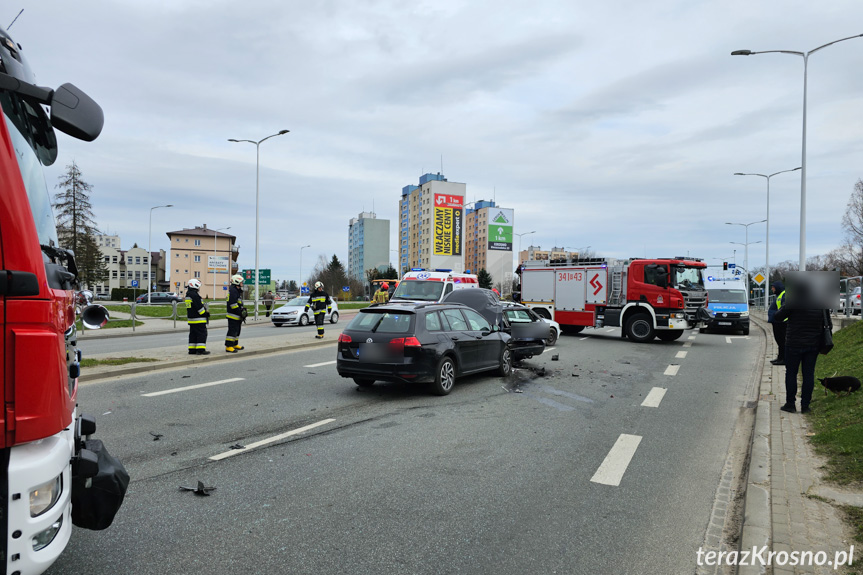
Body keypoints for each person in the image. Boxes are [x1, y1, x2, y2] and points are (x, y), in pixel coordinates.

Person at [774, 284, 830, 414]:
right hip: (813, 344)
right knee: (808, 374)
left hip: (793, 343)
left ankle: (790, 404)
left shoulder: (793, 302)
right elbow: (828, 324)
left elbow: (778, 317)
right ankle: (805, 406)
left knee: (791, 373)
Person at [185, 279, 210, 355]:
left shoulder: (188, 294)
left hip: (191, 319)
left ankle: (192, 350)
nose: (199, 288)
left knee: (193, 335)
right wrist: (206, 313)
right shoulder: (195, 295)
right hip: (199, 319)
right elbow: (199, 308)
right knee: (202, 334)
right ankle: (201, 350)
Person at [767, 281, 787, 365]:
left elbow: (784, 308)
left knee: (782, 341)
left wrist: (776, 316)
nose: (772, 289)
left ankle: (783, 359)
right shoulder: (779, 295)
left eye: (773, 287)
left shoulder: (784, 295)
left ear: (777, 287)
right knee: (779, 341)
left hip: (782, 322)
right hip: (777, 322)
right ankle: (780, 358)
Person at [225, 274, 246, 353]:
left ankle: (234, 344)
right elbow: (233, 304)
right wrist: (240, 312)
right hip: (233, 315)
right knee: (232, 331)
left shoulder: (236, 291)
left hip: (237, 315)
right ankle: (229, 346)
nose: (242, 284)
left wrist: (242, 311)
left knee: (237, 331)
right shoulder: (233, 291)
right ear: (237, 282)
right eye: (241, 282)